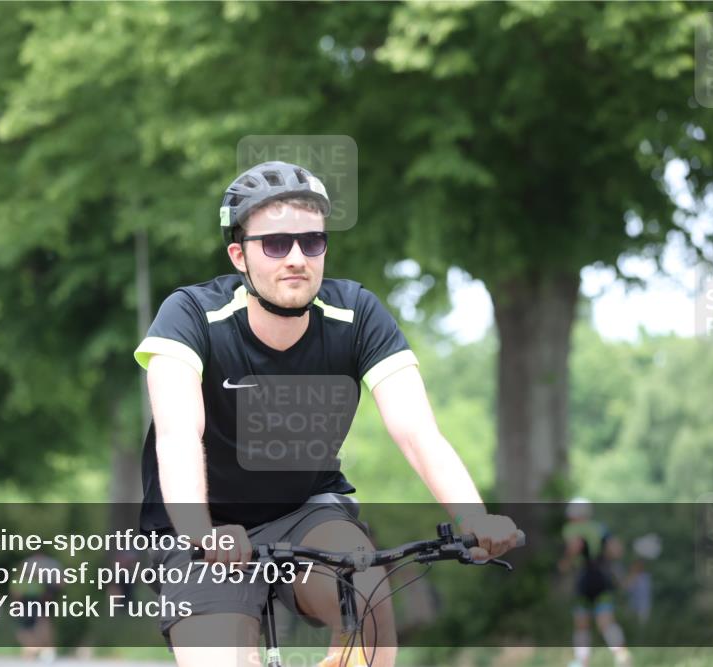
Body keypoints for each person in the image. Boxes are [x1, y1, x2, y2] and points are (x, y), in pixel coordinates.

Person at [134, 160, 520, 667]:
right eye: (276, 244)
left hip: (305, 509)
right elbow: (179, 436)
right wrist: (200, 533)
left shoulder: (357, 314)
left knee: (366, 588)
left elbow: (417, 433)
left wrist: (474, 516)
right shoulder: (190, 315)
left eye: (311, 242)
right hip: (205, 524)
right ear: (239, 256)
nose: (297, 258)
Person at [559, 498, 631, 667]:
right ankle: (622, 657)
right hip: (599, 580)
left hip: (586, 581)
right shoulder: (600, 529)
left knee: (585, 623)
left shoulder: (571, 530)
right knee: (602, 623)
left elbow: (567, 561)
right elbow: (617, 551)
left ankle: (583, 661)